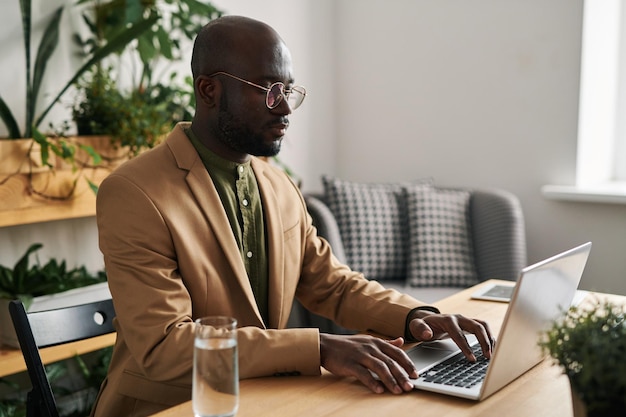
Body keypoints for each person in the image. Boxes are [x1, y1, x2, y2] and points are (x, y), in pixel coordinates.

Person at [91, 15, 495, 417]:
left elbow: (331, 285)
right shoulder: (134, 193)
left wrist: (416, 317)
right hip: (171, 407)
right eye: (267, 89)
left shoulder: (280, 186)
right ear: (209, 90)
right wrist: (320, 347)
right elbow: (166, 347)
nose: (285, 107)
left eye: (287, 89)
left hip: (264, 399)